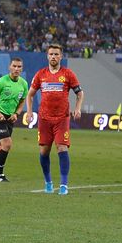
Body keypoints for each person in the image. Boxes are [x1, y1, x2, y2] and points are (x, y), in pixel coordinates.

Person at [24, 43, 83, 195]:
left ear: (61, 56)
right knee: (44, 151)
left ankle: (64, 185)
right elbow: (30, 95)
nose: (53, 57)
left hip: (62, 119)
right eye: (51, 54)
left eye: (56, 54)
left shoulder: (68, 74)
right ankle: (48, 182)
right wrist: (29, 112)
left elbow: (80, 93)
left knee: (62, 148)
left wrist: (77, 108)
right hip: (44, 119)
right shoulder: (40, 74)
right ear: (47, 56)